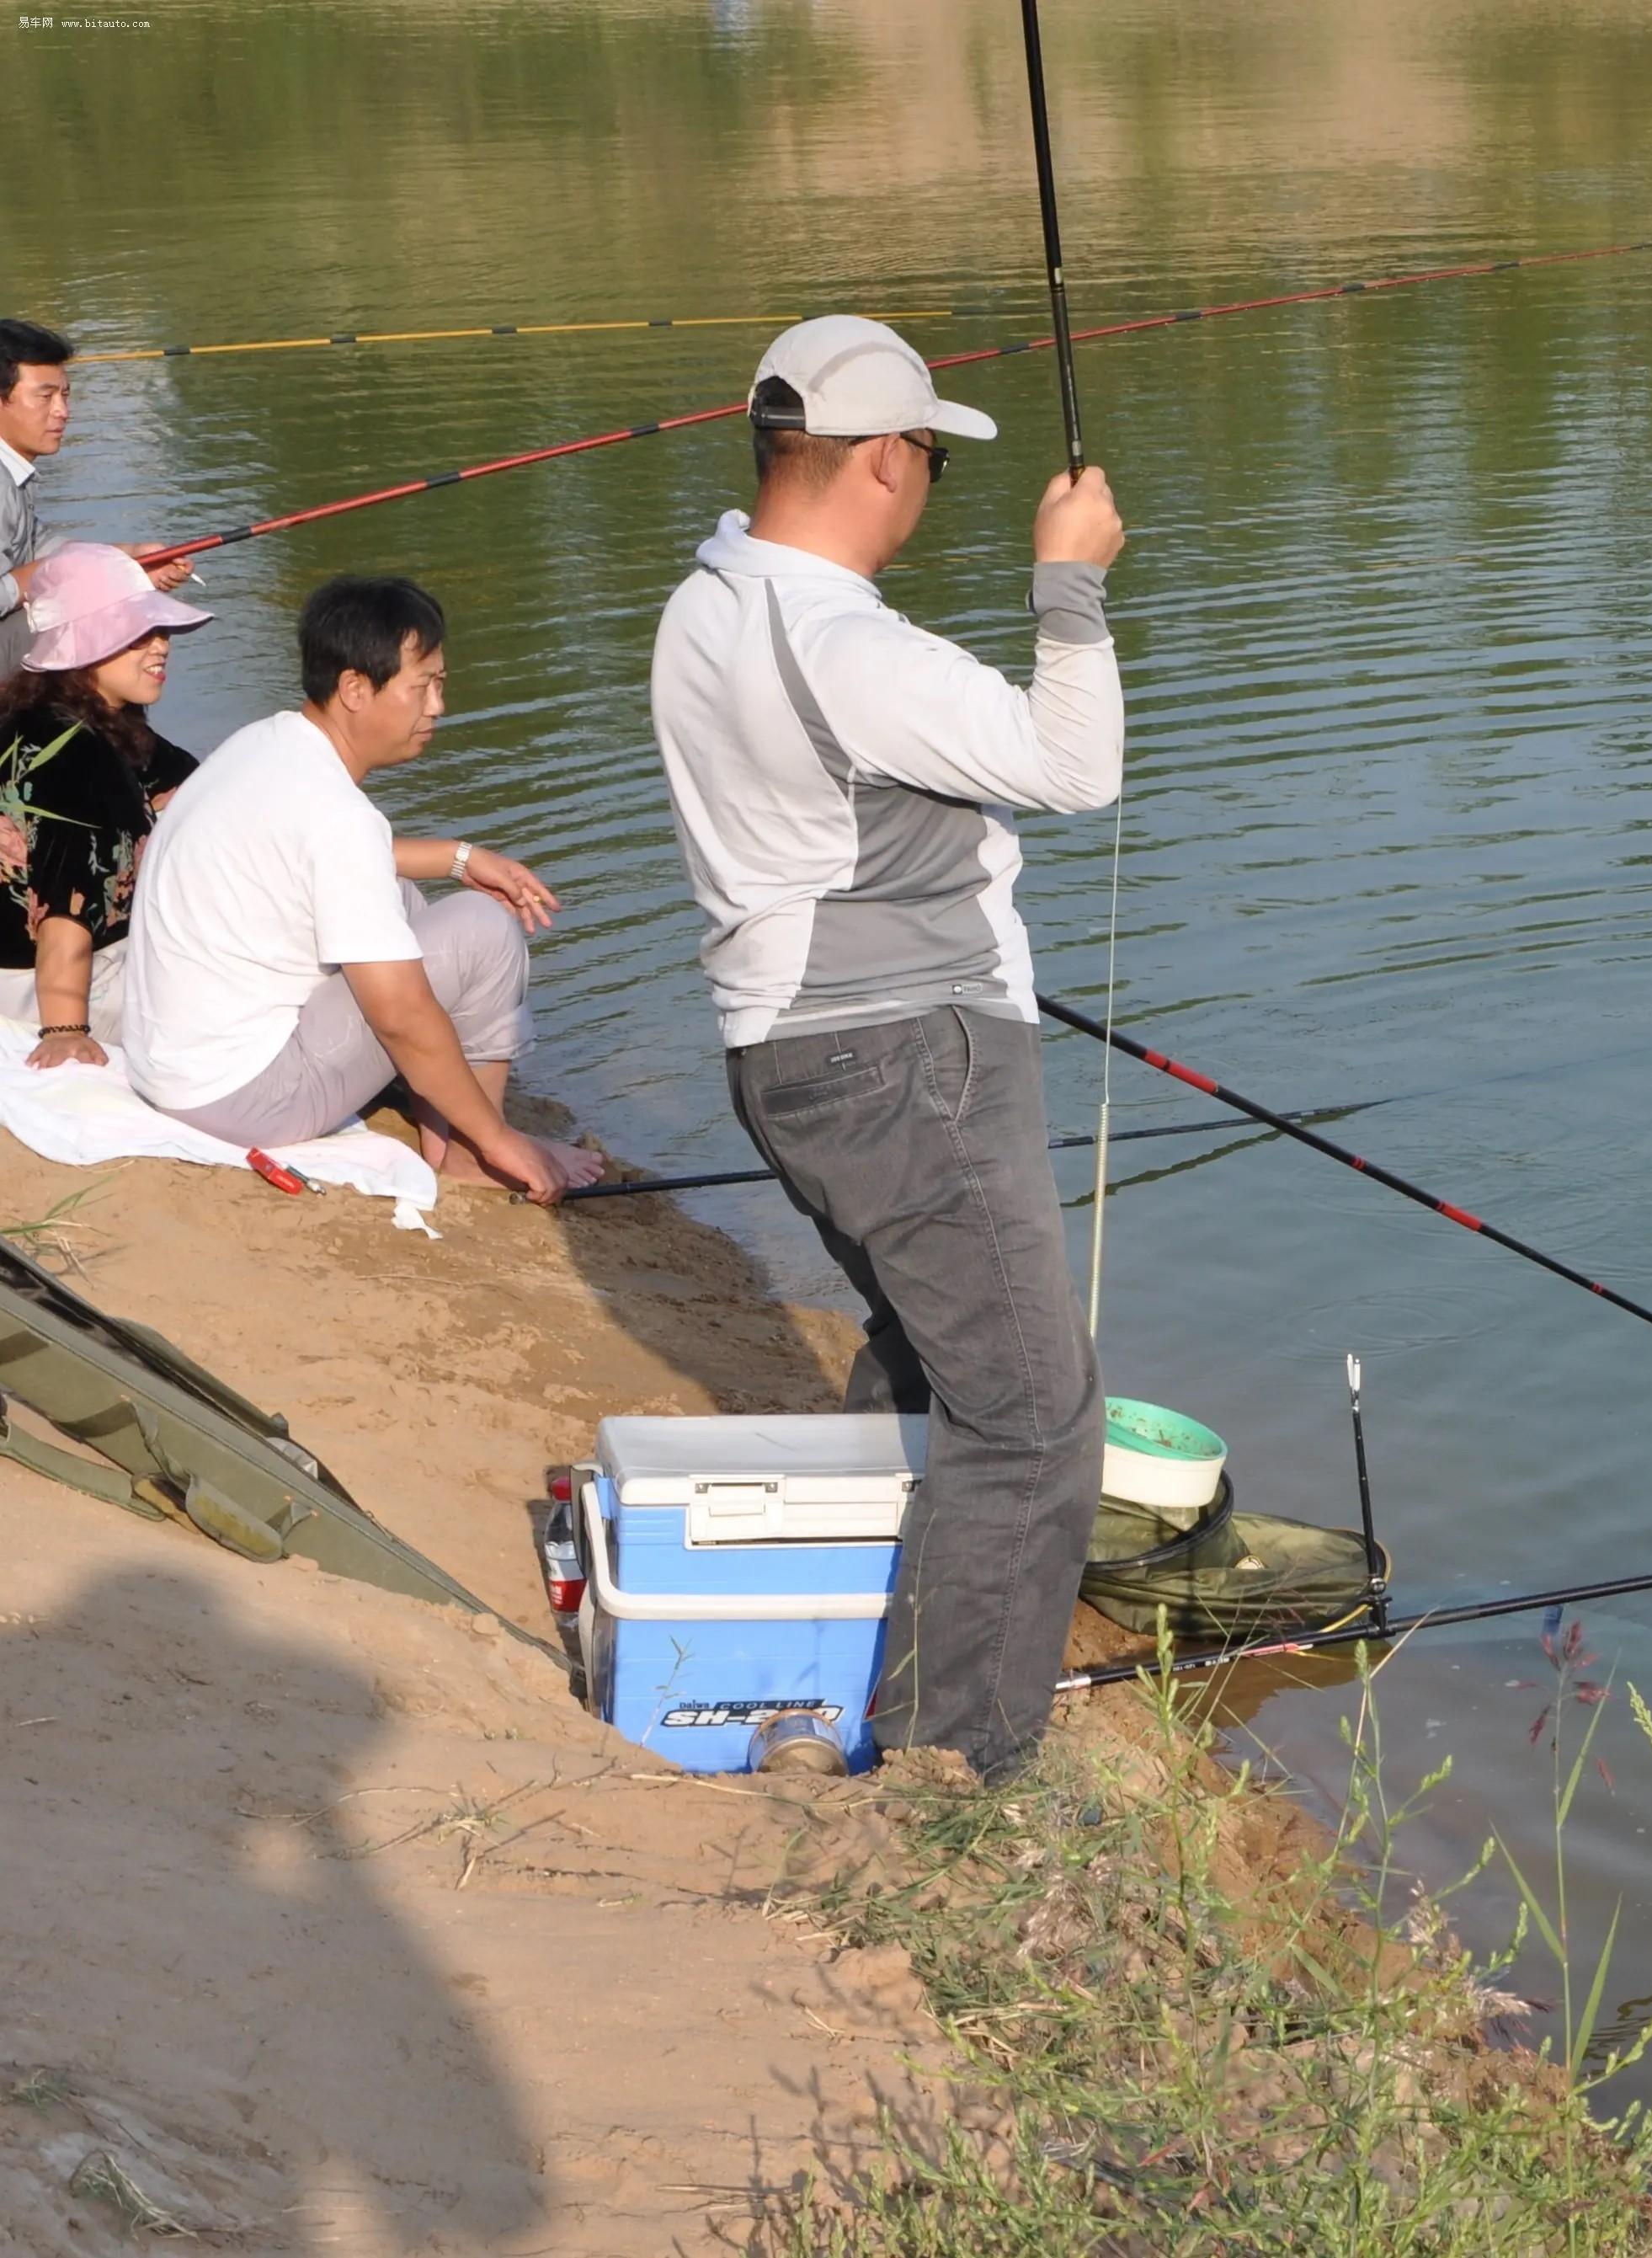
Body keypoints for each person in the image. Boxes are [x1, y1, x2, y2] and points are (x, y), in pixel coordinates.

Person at [648, 316, 1126, 1780]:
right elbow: (1076, 768)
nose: (928, 481)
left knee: (932, 1354)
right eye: (929, 455)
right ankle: (951, 1771)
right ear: (876, 461)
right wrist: (1069, 584)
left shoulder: (702, 603)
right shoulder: (848, 643)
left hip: (783, 1056)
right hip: (908, 1065)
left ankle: (850, 1655)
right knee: (1034, 1417)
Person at [122, 575, 600, 1198]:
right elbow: (399, 1013)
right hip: (245, 1098)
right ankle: (472, 1150)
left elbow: (317, 858)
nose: (438, 706)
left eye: (441, 683)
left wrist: (460, 859)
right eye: (422, 686)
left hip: (170, 1066)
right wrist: (500, 1139)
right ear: (354, 689)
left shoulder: (265, 744)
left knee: (400, 900)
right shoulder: (337, 814)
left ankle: (444, 1123)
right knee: (484, 931)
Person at [0, 544, 213, 1063]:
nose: (161, 647)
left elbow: (209, 796)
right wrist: (65, 1030)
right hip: (46, 988)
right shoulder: (80, 754)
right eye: (139, 634)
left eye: (161, 631)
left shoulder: (58, 713)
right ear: (88, 643)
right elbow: (65, 902)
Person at [0, 320, 197, 681]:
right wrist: (31, 580)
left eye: (65, 395)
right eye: (45, 397)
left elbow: (39, 544)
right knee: (92, 606)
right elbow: (29, 572)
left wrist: (129, 559)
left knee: (101, 588)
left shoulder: (13, 473)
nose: (62, 411)